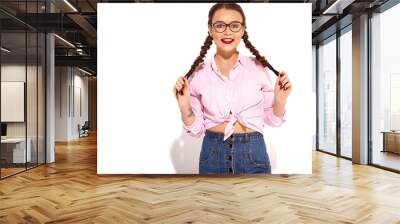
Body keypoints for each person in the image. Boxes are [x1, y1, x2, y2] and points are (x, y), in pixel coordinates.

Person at [173, 3, 292, 174]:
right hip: (212, 154)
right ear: (210, 29)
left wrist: (280, 100)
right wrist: (184, 106)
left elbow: (272, 120)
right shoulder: (199, 73)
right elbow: (196, 129)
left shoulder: (258, 68)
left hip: (254, 153)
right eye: (220, 25)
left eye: (234, 25)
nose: (227, 32)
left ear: (243, 30)